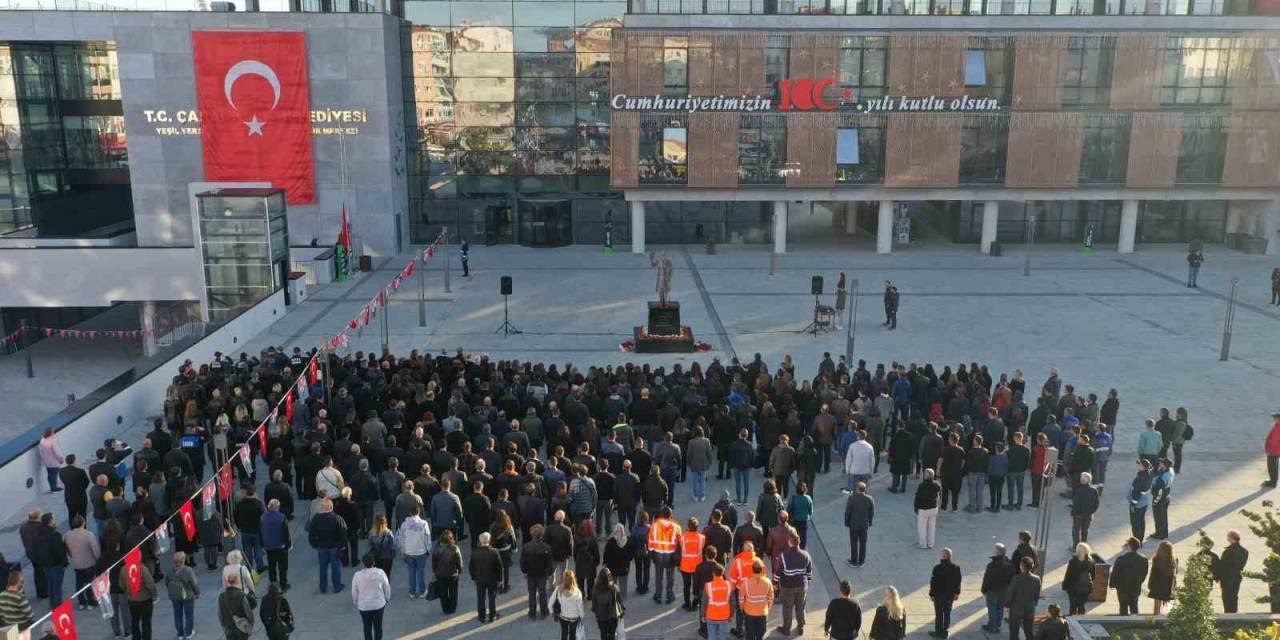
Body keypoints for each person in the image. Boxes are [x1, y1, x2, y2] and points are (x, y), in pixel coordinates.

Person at [309, 498, 349, 594]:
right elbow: (344, 532)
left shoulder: (316, 518)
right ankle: (337, 586)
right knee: (335, 568)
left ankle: (323, 588)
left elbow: (311, 533)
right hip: (334, 547)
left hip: (321, 547)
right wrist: (343, 545)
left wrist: (314, 544)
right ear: (331, 507)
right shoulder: (337, 518)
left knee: (322, 568)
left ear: (322, 507)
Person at [775, 533, 812, 636]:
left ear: (789, 542)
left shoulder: (784, 556)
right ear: (799, 542)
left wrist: (775, 583)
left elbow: (777, 573)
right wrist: (807, 582)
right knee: (800, 607)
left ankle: (786, 629)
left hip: (787, 587)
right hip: (802, 586)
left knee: (787, 607)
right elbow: (809, 572)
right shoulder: (805, 554)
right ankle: (800, 627)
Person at [352, 553, 391, 640]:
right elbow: (387, 587)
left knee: (367, 627)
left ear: (363, 563)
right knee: (378, 627)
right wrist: (387, 598)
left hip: (364, 606)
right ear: (373, 562)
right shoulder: (381, 572)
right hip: (378, 605)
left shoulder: (357, 575)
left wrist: (355, 601)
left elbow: (354, 591)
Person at [64, 515, 99, 611]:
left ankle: (82, 602)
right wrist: (98, 559)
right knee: (89, 583)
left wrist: (72, 557)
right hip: (89, 562)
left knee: (79, 583)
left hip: (76, 563)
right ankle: (91, 602)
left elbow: (67, 549)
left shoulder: (67, 535)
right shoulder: (88, 534)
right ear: (83, 523)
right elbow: (95, 549)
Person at [648, 506, 682, 605]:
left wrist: (651, 555)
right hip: (671, 556)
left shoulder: (654, 525)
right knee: (670, 577)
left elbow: (650, 542)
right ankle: (669, 595)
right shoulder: (676, 527)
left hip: (658, 555)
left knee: (658, 577)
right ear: (670, 515)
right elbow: (680, 543)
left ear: (662, 514)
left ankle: (658, 595)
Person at [396, 504, 431, 599]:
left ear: (410, 513)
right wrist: (428, 548)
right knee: (421, 571)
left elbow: (401, 539)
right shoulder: (423, 523)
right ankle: (422, 591)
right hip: (421, 551)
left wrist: (403, 550)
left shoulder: (404, 524)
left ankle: (412, 591)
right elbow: (427, 537)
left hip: (409, 552)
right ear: (419, 512)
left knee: (411, 572)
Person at [121, 548, 157, 640]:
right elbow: (150, 584)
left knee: (134, 621)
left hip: (132, 600)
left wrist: (128, 592)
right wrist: (154, 596)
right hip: (145, 600)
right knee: (146, 623)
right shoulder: (143, 569)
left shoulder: (124, 569)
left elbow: (121, 585)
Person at [470, 531, 504, 623]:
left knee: (480, 597)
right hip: (492, 579)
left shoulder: (475, 552)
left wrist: (474, 578)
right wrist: (500, 579)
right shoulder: (494, 552)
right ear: (489, 540)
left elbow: (471, 567)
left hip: (480, 579)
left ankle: (481, 616)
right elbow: (499, 567)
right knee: (492, 597)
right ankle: (492, 615)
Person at [166, 551, 200, 640]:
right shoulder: (188, 570)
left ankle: (180, 634)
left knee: (177, 615)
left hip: (175, 596)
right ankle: (188, 633)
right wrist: (197, 593)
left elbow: (167, 583)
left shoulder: (169, 570)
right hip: (187, 596)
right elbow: (194, 584)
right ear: (183, 560)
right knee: (189, 614)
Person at [1110, 537, 1149, 616]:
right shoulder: (1143, 559)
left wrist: (1113, 584)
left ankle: (1123, 622)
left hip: (1122, 588)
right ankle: (1135, 623)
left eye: (1126, 545)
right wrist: (1139, 581)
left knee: (1123, 607)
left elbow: (1115, 574)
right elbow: (1144, 573)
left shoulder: (1121, 559)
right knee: (1134, 606)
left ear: (1129, 547)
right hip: (1135, 586)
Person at [928, 548, 960, 639]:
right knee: (947, 612)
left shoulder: (937, 568)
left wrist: (932, 594)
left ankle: (938, 631)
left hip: (939, 596)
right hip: (950, 596)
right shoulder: (956, 567)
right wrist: (957, 593)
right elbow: (958, 581)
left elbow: (933, 583)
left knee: (939, 614)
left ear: (943, 556)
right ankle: (945, 630)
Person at [738, 559, 774, 640]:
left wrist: (742, 608)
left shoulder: (746, 583)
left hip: (749, 613)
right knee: (760, 635)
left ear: (752, 569)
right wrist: (768, 608)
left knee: (749, 634)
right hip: (763, 613)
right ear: (762, 570)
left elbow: (741, 598)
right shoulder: (767, 581)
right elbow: (771, 597)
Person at [1006, 557, 1041, 640]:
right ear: (1032, 566)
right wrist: (1034, 603)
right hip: (1030, 608)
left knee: (1014, 631)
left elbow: (1011, 594)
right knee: (1029, 631)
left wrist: (1007, 604)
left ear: (1021, 566)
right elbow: (1037, 594)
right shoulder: (1037, 579)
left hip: (1016, 608)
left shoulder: (1016, 579)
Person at [980, 543, 1012, 633]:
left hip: (993, 590)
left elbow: (987, 579)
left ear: (998, 553)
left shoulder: (992, 565)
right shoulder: (1010, 563)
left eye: (994, 550)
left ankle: (992, 626)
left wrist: (983, 589)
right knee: (1000, 607)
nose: (993, 552)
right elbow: (1012, 577)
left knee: (992, 608)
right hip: (1004, 590)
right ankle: (998, 624)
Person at [262, 498, 292, 590]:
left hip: (269, 546)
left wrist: (263, 543)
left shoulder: (263, 517)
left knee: (271, 566)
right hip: (281, 546)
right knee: (283, 567)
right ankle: (283, 584)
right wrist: (288, 544)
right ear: (278, 507)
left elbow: (261, 531)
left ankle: (273, 583)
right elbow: (286, 532)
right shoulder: (282, 517)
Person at [844, 481, 874, 566]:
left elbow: (848, 512)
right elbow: (871, 512)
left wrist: (846, 522)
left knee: (854, 542)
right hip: (864, 524)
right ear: (865, 489)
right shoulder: (869, 499)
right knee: (863, 543)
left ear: (857, 489)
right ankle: (861, 561)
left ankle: (854, 560)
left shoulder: (851, 498)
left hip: (853, 524)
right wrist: (870, 522)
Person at [218, 572, 255, 640]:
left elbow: (220, 614)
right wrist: (250, 626)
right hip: (241, 628)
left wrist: (224, 626)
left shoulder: (221, 596)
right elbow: (249, 613)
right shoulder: (241, 596)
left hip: (228, 627)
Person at [679, 517, 706, 610]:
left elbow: (681, 547)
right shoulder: (702, 538)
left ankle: (687, 603)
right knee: (697, 586)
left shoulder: (683, 537)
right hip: (697, 566)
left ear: (688, 526)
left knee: (686, 586)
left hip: (685, 565)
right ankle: (695, 603)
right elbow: (702, 548)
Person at [552, 568, 586, 640]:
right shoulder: (577, 592)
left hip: (562, 616)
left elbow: (555, 602)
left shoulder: (559, 590)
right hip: (573, 618)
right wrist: (582, 615)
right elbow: (580, 607)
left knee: (564, 634)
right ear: (573, 579)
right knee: (572, 635)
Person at [592, 568, 625, 640]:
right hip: (612, 616)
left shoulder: (596, 588)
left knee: (603, 634)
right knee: (612, 634)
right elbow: (619, 602)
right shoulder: (614, 588)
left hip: (601, 616)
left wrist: (596, 611)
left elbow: (594, 603)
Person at [1219, 531, 1248, 613]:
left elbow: (1222, 566)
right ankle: (1234, 614)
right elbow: (1242, 565)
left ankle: (1228, 615)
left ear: (1231, 538)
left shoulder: (1228, 551)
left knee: (1227, 598)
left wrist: (1218, 576)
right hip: (1237, 577)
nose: (1227, 538)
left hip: (1227, 578)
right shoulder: (1244, 551)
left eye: (1228, 536)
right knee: (1234, 597)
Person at [704, 565, 734, 640]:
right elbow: (732, 602)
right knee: (723, 636)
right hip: (724, 616)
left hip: (711, 615)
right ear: (723, 572)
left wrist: (702, 615)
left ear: (713, 573)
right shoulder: (729, 585)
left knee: (711, 636)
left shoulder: (708, 585)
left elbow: (704, 602)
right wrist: (731, 615)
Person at [1063, 542, 1094, 615]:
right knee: (1081, 606)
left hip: (1073, 587)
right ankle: (1080, 620)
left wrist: (1065, 585)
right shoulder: (1091, 562)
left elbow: (1068, 575)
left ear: (1077, 551)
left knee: (1072, 606)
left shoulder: (1072, 562)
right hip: (1085, 588)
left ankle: (1071, 622)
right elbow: (1093, 575)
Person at [1148, 540, 1177, 615]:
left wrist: (1150, 584)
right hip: (1168, 585)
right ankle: (1165, 621)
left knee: (1157, 607)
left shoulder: (1156, 559)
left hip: (1158, 584)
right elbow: (1175, 574)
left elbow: (1153, 573)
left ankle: (1155, 621)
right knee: (1167, 606)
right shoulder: (1174, 559)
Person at [1071, 472, 1099, 547]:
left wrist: (1073, 513)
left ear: (1082, 480)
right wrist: (1092, 511)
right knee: (1085, 531)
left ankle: (1076, 546)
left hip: (1078, 515)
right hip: (1089, 515)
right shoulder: (1094, 490)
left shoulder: (1078, 490)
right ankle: (1083, 546)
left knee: (1076, 531)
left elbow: (1076, 504)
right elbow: (1096, 503)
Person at [914, 469, 940, 549]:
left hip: (923, 509)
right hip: (933, 508)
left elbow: (917, 498)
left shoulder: (921, 486)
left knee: (922, 527)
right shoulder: (937, 485)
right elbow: (939, 495)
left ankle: (923, 544)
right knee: (932, 526)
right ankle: (930, 543)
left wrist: (916, 508)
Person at [1150, 459, 1175, 540]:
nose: (1159, 464)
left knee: (1158, 516)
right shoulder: (1169, 471)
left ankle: (1159, 534)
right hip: (1166, 496)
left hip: (1161, 497)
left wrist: (1155, 497)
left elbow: (1159, 486)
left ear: (1164, 465)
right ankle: (1163, 533)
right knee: (1163, 516)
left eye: (1161, 463)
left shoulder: (1165, 475)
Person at [575, 519, 601, 599]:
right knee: (590, 581)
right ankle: (590, 595)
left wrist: (577, 559)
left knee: (580, 580)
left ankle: (581, 594)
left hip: (580, 561)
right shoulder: (592, 538)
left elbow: (574, 551)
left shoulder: (576, 537)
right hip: (590, 562)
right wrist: (597, 561)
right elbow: (596, 551)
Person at [367, 515, 395, 579]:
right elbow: (392, 546)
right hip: (387, 557)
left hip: (376, 556)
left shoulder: (371, 533)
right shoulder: (388, 533)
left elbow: (369, 546)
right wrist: (393, 555)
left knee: (377, 576)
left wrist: (371, 554)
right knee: (386, 575)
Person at [786, 483, 813, 549]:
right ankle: (802, 548)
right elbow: (810, 511)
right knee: (803, 536)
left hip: (795, 520)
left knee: (795, 534)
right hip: (804, 520)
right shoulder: (808, 498)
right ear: (805, 489)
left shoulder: (793, 498)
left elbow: (789, 508)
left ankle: (794, 546)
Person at [38, 428, 65, 493]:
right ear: (50, 433)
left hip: (47, 461)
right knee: (54, 474)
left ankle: (52, 486)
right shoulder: (53, 441)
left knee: (50, 474)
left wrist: (44, 459)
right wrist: (61, 459)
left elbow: (41, 452)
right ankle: (54, 487)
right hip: (54, 461)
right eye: (53, 432)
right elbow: (57, 452)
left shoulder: (42, 441)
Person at [1264, 411, 1280, 488]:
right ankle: (1272, 481)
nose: (1274, 419)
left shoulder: (1279, 427)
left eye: (1275, 417)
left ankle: (1273, 482)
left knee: (1272, 467)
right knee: (1272, 466)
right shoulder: (1277, 425)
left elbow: (1275, 440)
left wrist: (1270, 450)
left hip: (1274, 451)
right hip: (1273, 450)